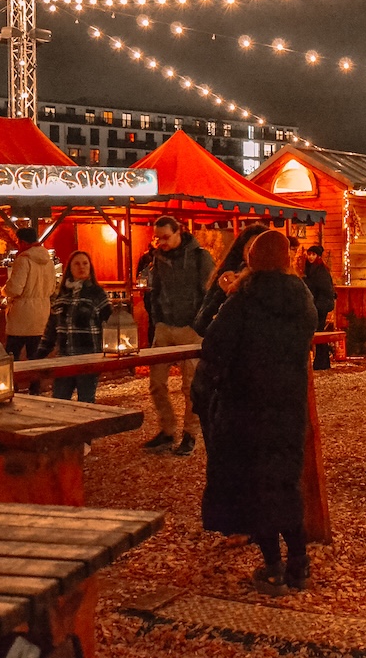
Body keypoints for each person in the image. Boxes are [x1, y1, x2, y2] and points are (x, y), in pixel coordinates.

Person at [197, 230, 318, 595]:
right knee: (285, 481)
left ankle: (273, 568)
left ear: (251, 261)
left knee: (255, 486)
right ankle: (300, 565)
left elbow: (213, 342)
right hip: (288, 403)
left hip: (246, 405)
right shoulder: (303, 301)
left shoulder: (243, 302)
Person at [143, 215, 216, 457]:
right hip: (165, 326)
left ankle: (190, 434)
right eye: (158, 238)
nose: (161, 242)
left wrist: (199, 324)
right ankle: (167, 429)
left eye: (166, 237)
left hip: (190, 327)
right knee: (156, 383)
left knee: (191, 386)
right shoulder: (159, 258)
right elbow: (155, 291)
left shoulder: (199, 257)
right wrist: (157, 320)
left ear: (179, 232)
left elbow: (210, 292)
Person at [35, 250, 112, 404]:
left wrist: (110, 352)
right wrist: (40, 354)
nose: (81, 267)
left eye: (85, 263)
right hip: (65, 357)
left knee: (86, 403)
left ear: (90, 267)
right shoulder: (62, 295)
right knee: (59, 401)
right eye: (76, 264)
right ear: (69, 268)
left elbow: (110, 323)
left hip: (88, 357)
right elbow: (52, 328)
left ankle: (87, 429)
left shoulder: (97, 294)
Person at [2, 227, 56, 393]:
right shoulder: (48, 261)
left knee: (10, 355)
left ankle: (12, 386)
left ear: (23, 242)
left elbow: (15, 289)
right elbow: (53, 288)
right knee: (35, 356)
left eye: (19, 242)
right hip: (42, 313)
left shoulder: (23, 260)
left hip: (22, 315)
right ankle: (35, 389)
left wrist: (4, 290)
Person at [304, 245, 337, 370]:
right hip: (317, 305)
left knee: (319, 333)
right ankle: (322, 362)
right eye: (309, 254)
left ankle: (322, 362)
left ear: (318, 256)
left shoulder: (320, 271)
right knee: (319, 333)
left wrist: (318, 305)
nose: (310, 257)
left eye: (313, 254)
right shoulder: (311, 269)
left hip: (320, 306)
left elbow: (324, 290)